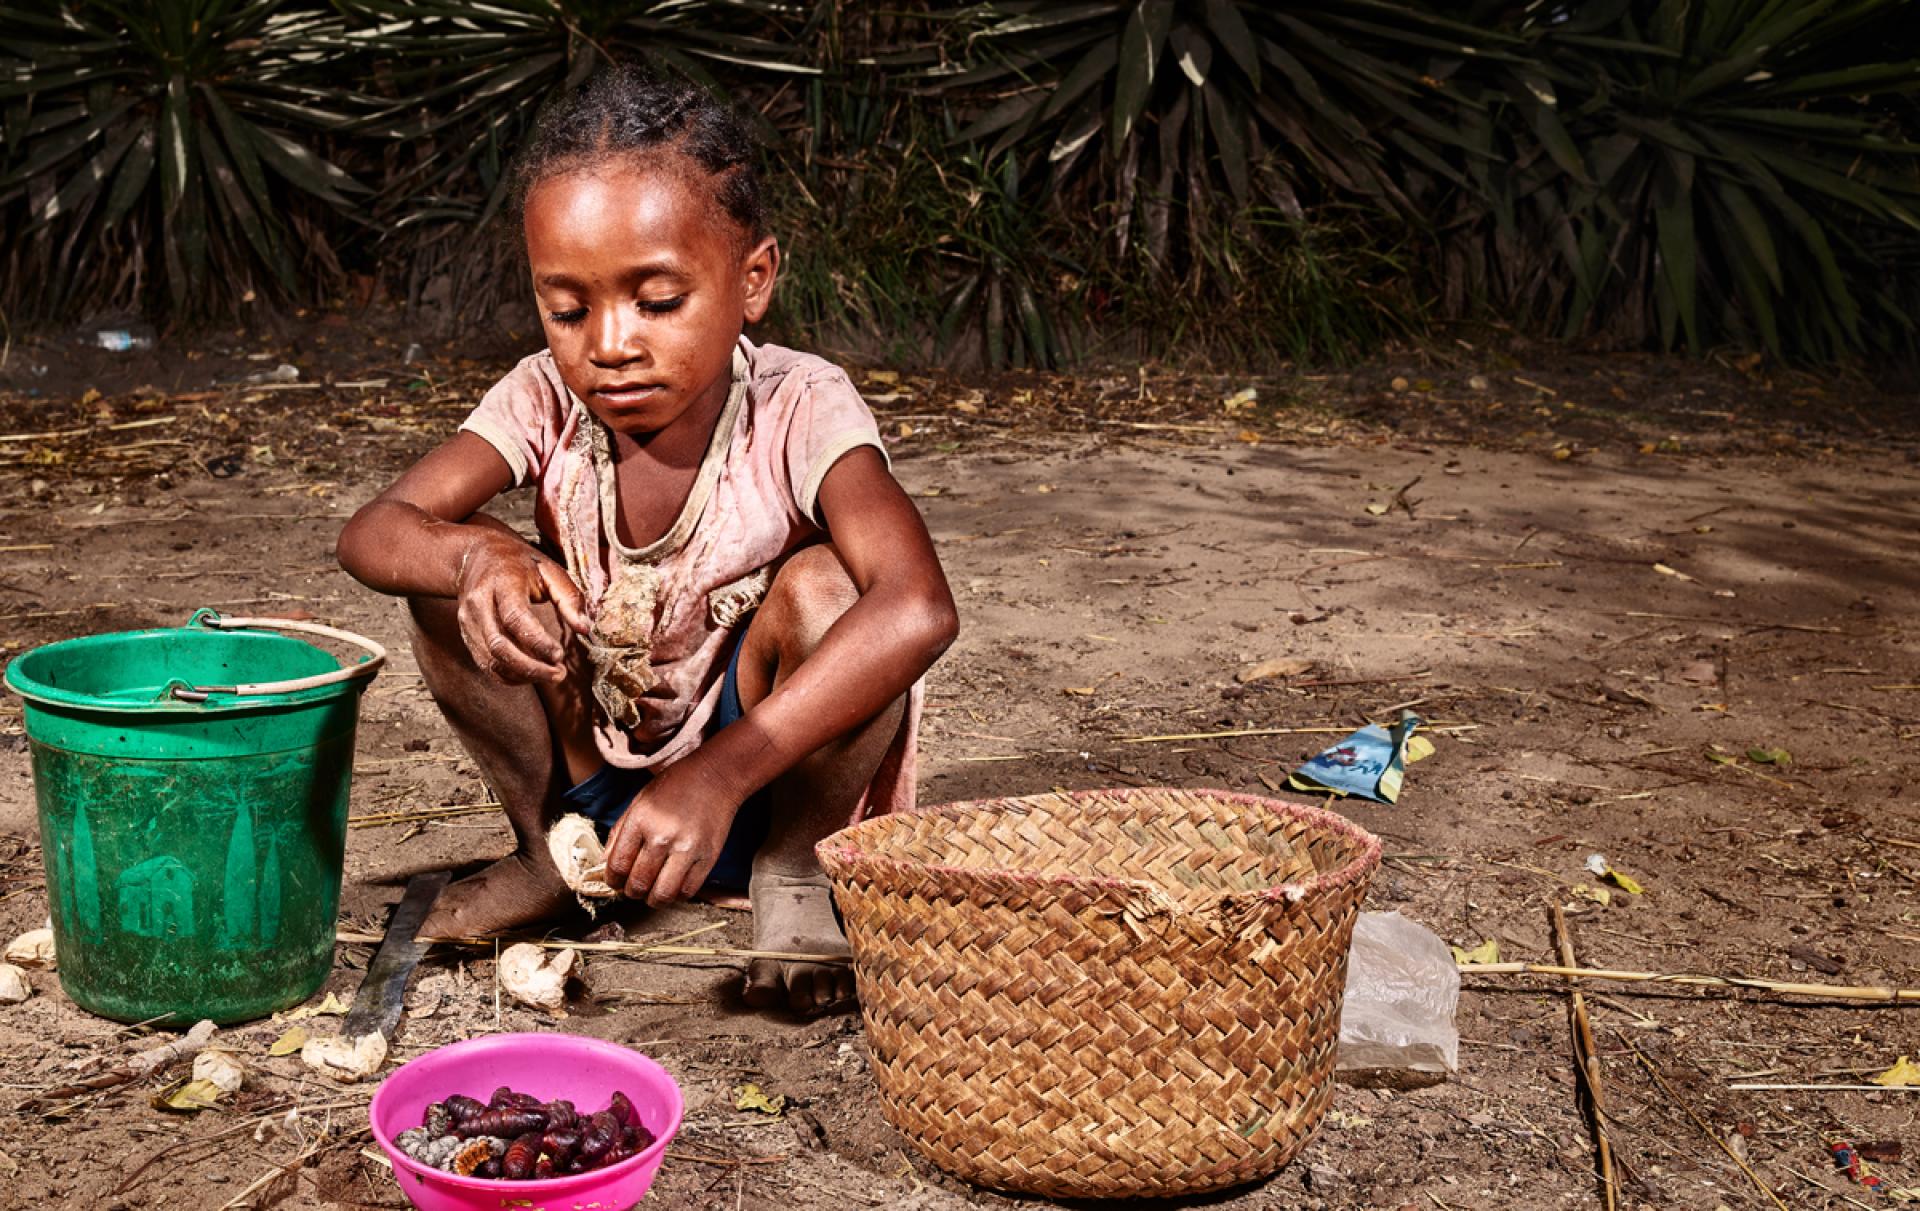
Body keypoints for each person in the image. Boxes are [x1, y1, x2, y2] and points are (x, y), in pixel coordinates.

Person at [335, 65, 958, 1015]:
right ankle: (548, 854)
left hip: (759, 786)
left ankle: (793, 879)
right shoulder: (544, 396)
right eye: (569, 307)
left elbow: (918, 606)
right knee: (449, 563)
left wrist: (722, 772)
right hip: (596, 777)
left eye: (657, 301)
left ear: (753, 280)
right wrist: (476, 558)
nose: (611, 343)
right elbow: (372, 532)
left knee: (835, 588)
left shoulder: (798, 405)